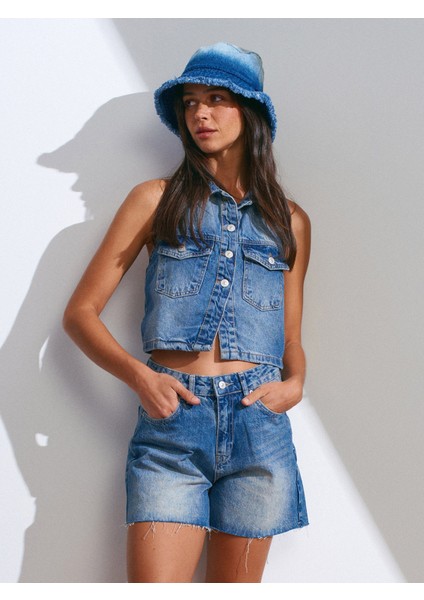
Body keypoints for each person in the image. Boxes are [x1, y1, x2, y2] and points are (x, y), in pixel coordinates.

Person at [63, 42, 311, 583]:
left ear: (251, 111)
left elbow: (291, 336)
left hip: (258, 426)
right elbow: (80, 313)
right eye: (191, 101)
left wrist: (296, 383)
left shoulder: (289, 220)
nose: (200, 113)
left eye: (217, 98)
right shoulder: (155, 199)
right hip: (174, 425)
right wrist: (141, 377)